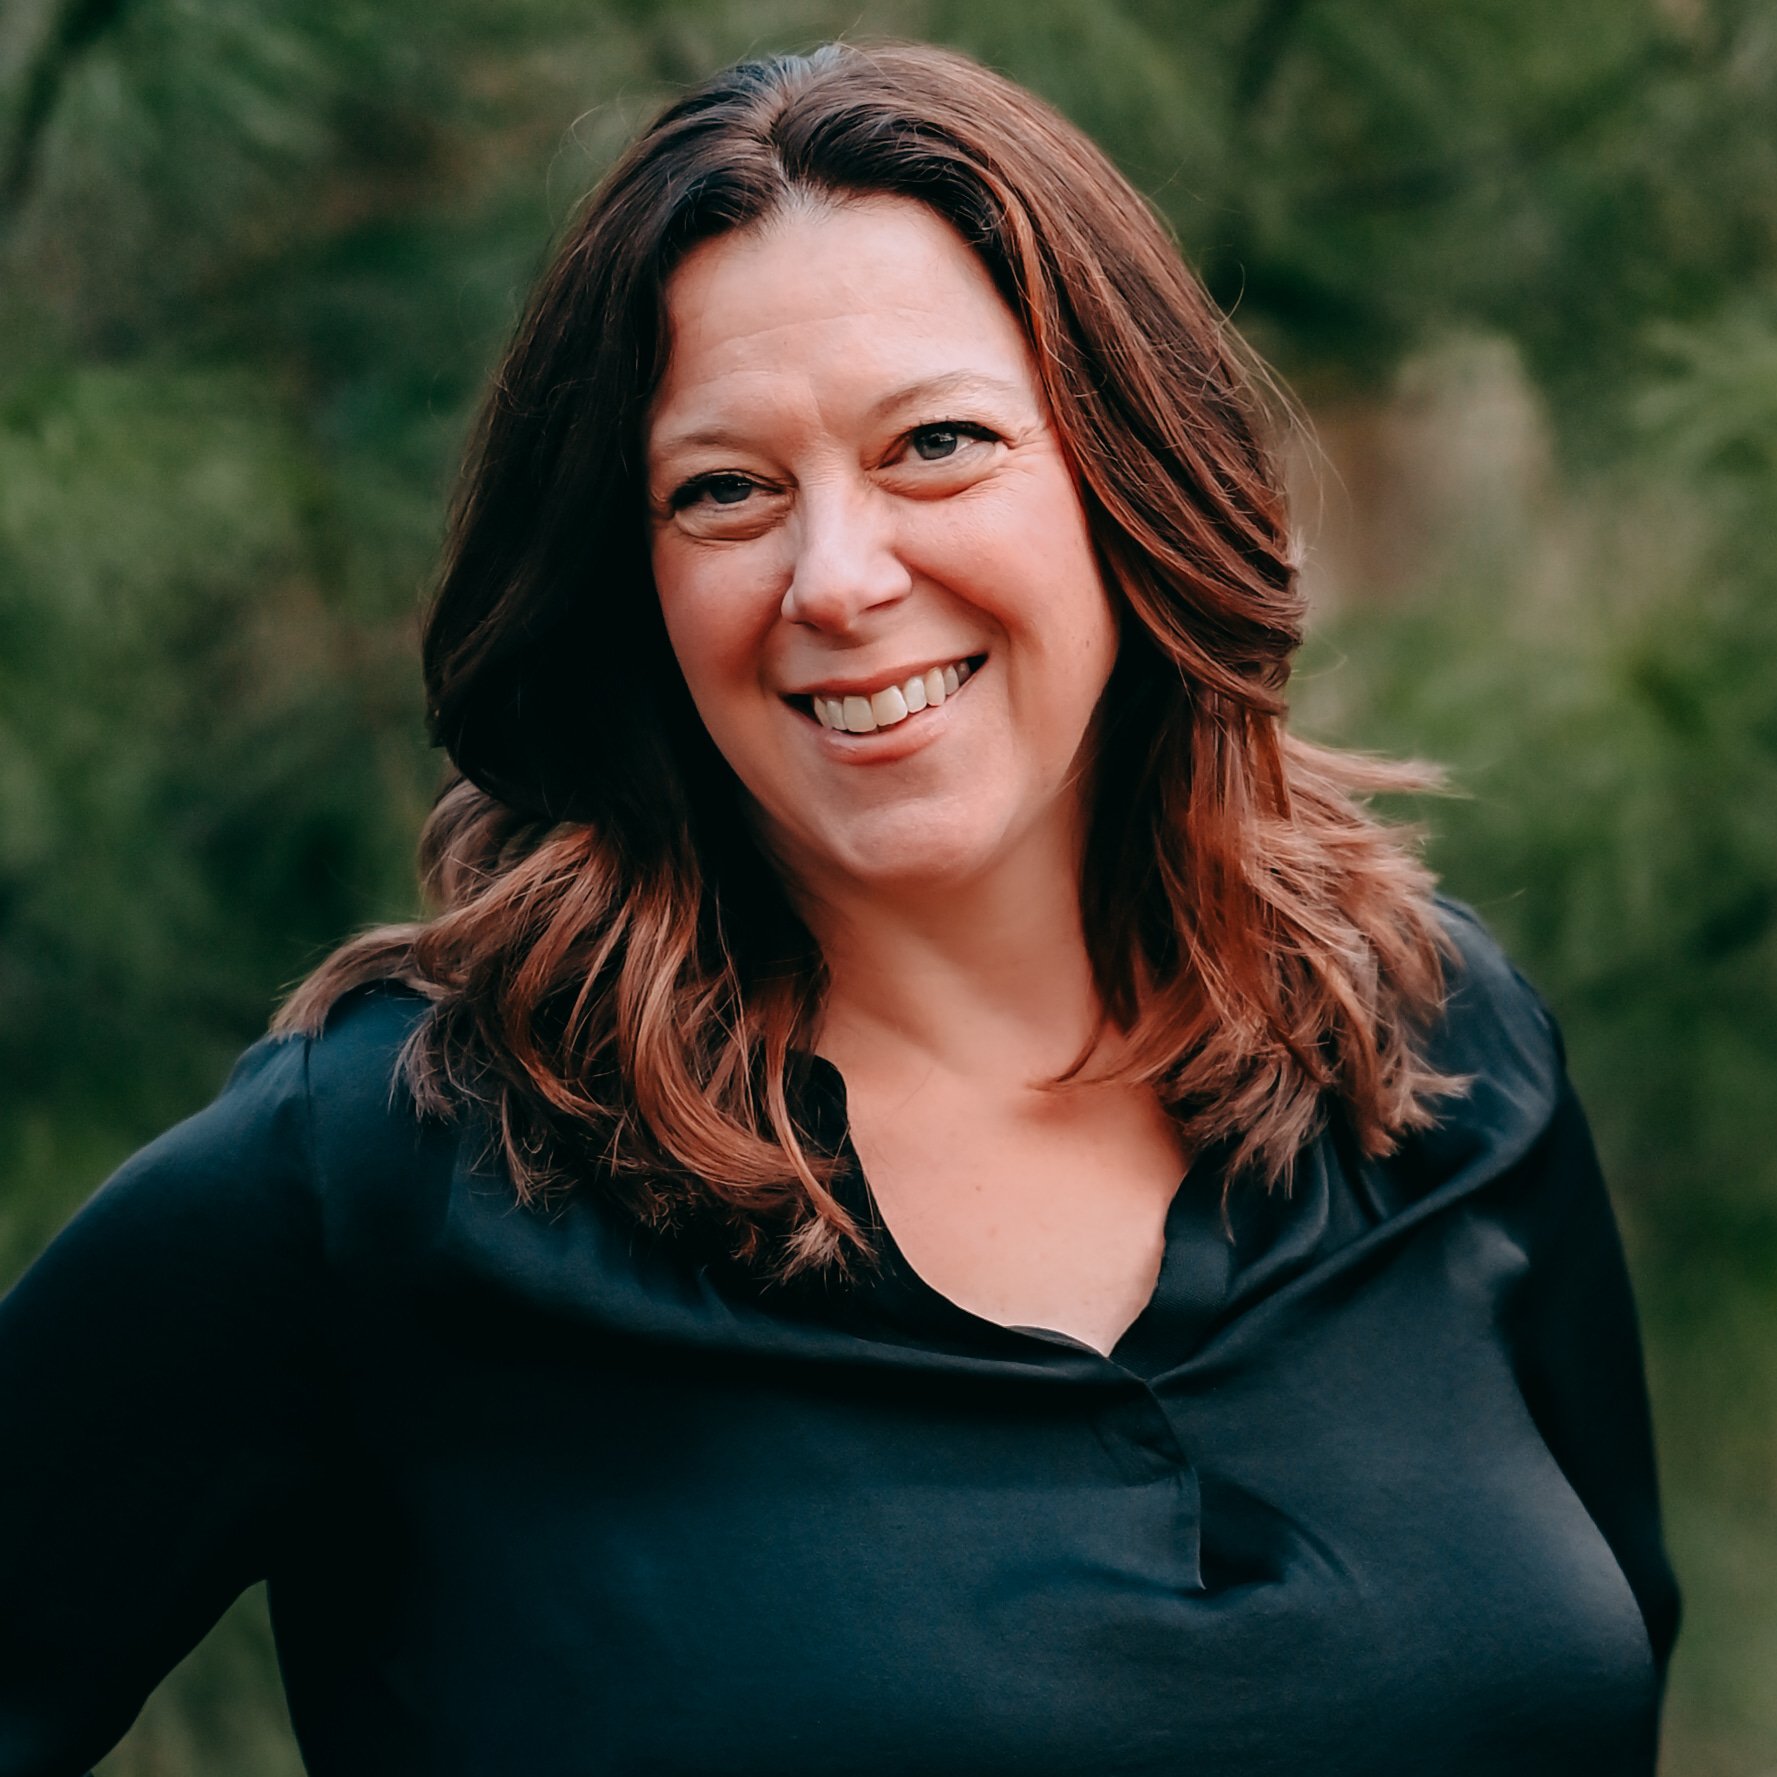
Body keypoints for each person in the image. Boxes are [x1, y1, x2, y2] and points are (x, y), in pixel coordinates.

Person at [0, 40, 1678, 1777]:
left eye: (935, 446)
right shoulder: (388, 1171)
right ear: (627, 576)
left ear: (1127, 474)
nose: (838, 577)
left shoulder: (1431, 1046)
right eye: (722, 491)